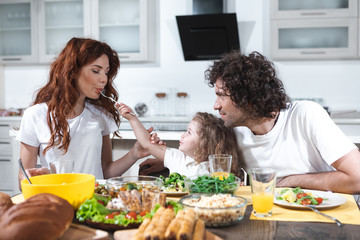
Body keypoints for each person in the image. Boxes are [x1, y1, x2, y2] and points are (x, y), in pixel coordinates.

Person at [205, 50, 360, 194]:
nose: (216, 105)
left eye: (222, 96)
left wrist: (293, 181)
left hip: (326, 214)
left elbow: (357, 179)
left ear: (248, 98)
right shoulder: (236, 132)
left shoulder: (306, 114)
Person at [17, 37, 160, 183]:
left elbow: (105, 172)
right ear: (72, 70)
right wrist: (34, 178)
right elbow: (23, 180)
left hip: (93, 201)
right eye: (96, 71)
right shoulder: (35, 115)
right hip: (57, 200)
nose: (104, 79)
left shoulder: (100, 114)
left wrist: (134, 153)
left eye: (106, 72)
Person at [119, 103, 243, 177]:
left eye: (189, 132)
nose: (183, 135)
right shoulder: (177, 158)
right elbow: (147, 143)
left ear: (204, 144)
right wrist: (132, 118)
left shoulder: (218, 169)